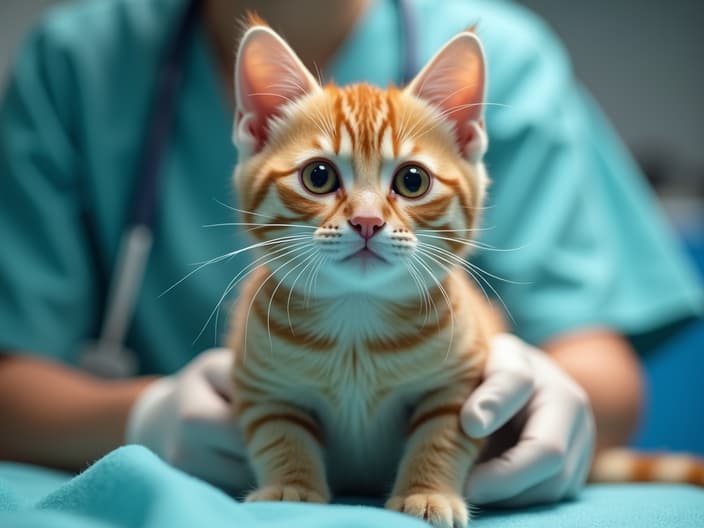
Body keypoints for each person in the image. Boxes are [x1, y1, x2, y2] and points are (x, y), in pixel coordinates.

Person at [0, 0, 701, 509]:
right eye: (319, 176)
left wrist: (544, 397)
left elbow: (605, 370)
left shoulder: (513, 58)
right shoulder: (78, 61)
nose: (367, 219)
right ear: (255, 128)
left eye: (411, 180)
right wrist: (141, 416)